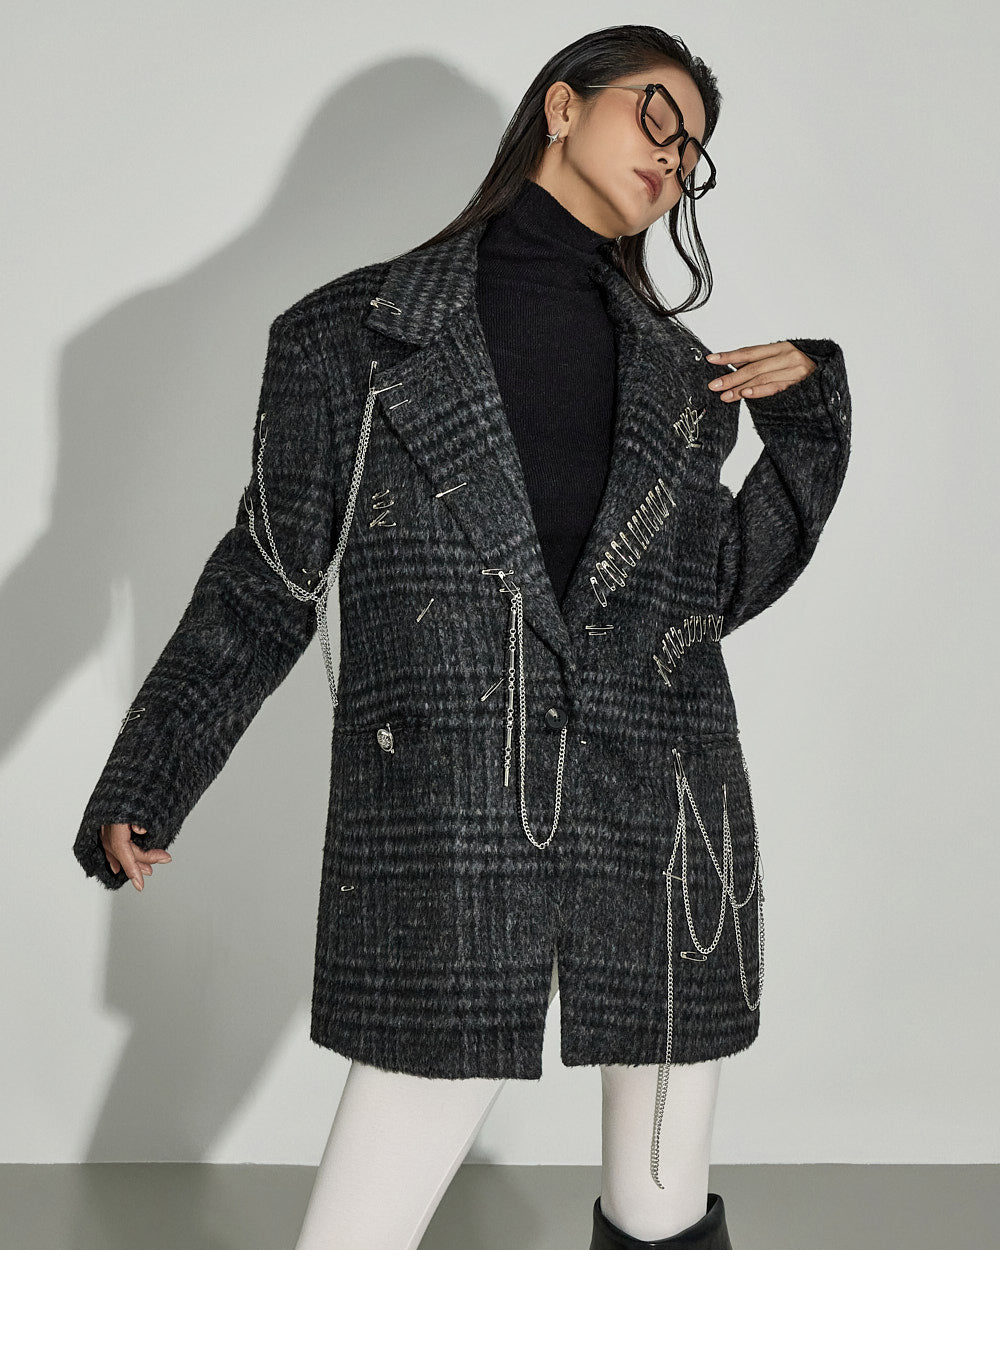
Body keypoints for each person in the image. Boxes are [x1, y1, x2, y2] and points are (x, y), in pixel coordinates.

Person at [74, 24, 851, 1249]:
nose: (673, 157)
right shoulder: (350, 335)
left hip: (661, 813)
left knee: (658, 1208)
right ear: (562, 107)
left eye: (694, 150)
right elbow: (269, 576)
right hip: (448, 813)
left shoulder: (678, 373)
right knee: (364, 1228)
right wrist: (152, 772)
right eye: (656, 116)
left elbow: (710, 594)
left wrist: (807, 422)